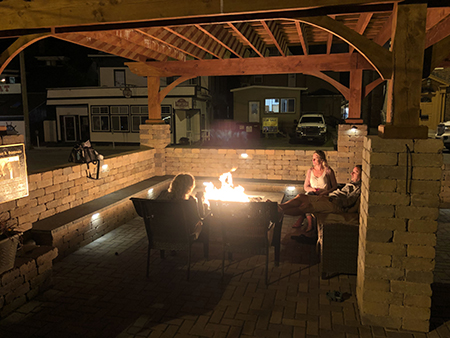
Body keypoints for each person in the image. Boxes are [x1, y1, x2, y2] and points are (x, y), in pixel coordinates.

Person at [279, 165, 362, 221]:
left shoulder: (358, 188)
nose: (352, 173)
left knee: (307, 207)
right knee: (301, 196)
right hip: (329, 198)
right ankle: (279, 207)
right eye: (353, 171)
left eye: (356, 172)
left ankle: (278, 211)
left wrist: (330, 198)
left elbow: (348, 202)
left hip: (334, 204)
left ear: (362, 176)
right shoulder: (351, 184)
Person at [290, 150, 338, 232]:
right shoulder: (310, 171)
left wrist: (325, 192)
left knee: (307, 200)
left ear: (321, 160)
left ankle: (302, 219)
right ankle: (310, 223)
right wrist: (313, 189)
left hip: (323, 194)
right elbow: (306, 186)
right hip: (312, 193)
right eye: (312, 159)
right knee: (307, 197)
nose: (313, 161)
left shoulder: (328, 171)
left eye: (315, 159)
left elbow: (335, 186)